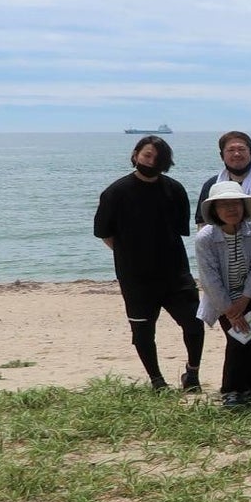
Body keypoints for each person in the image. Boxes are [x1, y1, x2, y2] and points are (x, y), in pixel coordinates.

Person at [94, 136, 205, 392]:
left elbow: (179, 229)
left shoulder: (174, 190)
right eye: (147, 155)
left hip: (176, 273)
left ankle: (193, 374)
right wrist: (129, 253)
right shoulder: (115, 193)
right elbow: (104, 233)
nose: (151, 161)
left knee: (193, 323)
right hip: (135, 278)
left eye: (158, 158)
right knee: (143, 333)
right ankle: (157, 381)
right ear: (135, 155)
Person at [193, 181, 251, 409]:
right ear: (214, 210)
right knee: (238, 339)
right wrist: (231, 311)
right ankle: (231, 391)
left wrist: (244, 300)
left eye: (236, 204)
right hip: (221, 300)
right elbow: (209, 279)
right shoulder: (206, 238)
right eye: (224, 205)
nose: (231, 209)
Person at [196, 131, 251, 216]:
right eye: (231, 150)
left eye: (241, 149)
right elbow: (202, 222)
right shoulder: (211, 185)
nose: (236, 154)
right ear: (222, 156)